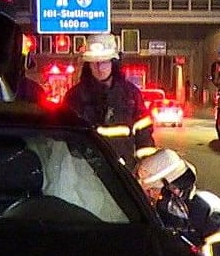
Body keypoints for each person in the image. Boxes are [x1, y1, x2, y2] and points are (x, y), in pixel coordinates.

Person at [61, 33, 156, 166]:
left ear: (113, 62)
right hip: (85, 172)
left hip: (122, 174)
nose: (99, 67)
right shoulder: (74, 97)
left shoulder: (131, 95)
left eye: (104, 61)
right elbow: (66, 139)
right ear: (88, 65)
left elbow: (144, 136)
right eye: (94, 63)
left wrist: (146, 168)